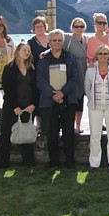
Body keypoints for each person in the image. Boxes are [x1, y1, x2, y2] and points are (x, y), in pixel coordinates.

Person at [37, 29, 78, 168]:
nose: (57, 43)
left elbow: (74, 78)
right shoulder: (43, 59)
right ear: (49, 42)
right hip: (49, 101)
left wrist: (63, 93)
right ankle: (53, 161)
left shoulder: (70, 58)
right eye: (54, 40)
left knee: (68, 133)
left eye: (60, 40)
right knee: (52, 133)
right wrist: (53, 94)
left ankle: (69, 161)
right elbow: (40, 80)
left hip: (68, 100)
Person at [0, 42, 37, 170]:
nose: (27, 53)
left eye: (29, 51)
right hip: (12, 106)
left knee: (26, 134)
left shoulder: (32, 68)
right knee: (6, 134)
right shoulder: (9, 68)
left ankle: (28, 162)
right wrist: (15, 106)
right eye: (24, 50)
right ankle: (1, 162)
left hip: (28, 106)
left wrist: (33, 104)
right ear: (17, 51)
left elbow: (35, 89)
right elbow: (8, 89)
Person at [84, 45, 109, 169]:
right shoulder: (90, 70)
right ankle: (94, 162)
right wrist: (93, 100)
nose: (103, 56)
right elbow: (87, 88)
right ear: (96, 56)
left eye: (105, 54)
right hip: (95, 107)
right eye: (100, 54)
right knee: (95, 136)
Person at [64, 17, 89, 134]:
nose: (79, 29)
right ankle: (69, 125)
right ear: (72, 27)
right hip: (70, 73)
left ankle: (78, 126)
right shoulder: (67, 38)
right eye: (76, 26)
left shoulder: (86, 39)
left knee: (80, 100)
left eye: (81, 26)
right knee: (71, 99)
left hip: (83, 72)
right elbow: (55, 46)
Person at [27, 16, 49, 134]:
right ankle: (37, 124)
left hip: (51, 74)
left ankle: (48, 124)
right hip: (36, 74)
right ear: (33, 28)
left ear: (45, 27)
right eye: (37, 27)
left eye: (41, 26)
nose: (39, 28)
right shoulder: (31, 42)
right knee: (37, 98)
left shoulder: (51, 39)